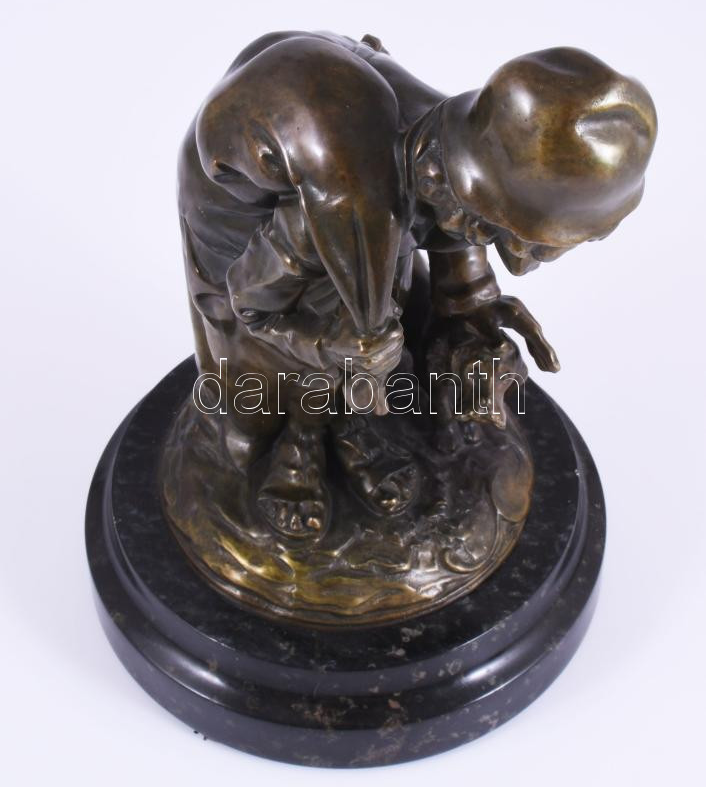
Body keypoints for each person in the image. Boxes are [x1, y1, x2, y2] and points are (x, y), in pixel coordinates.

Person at [177, 32, 656, 538]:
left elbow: (453, 228)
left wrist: (472, 314)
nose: (530, 262)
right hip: (248, 234)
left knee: (384, 314)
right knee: (313, 352)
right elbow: (253, 306)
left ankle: (349, 418)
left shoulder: (452, 151)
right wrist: (331, 346)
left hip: (346, 162)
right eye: (535, 244)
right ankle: (302, 442)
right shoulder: (336, 206)